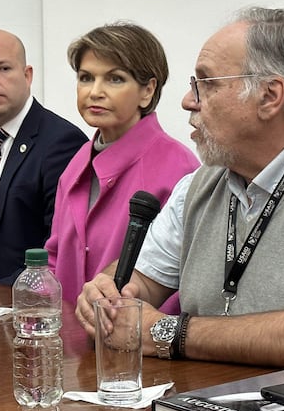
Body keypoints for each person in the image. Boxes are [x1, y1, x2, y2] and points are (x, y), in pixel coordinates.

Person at [76, 7, 284, 375]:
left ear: (270, 95)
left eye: (207, 83)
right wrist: (106, 295)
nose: (188, 100)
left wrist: (170, 333)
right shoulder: (199, 186)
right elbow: (139, 282)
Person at [44, 22, 199, 303]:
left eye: (115, 79)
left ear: (147, 91)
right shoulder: (76, 162)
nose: (95, 91)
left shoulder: (179, 167)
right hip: (71, 339)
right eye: (86, 77)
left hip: (139, 339)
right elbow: (55, 258)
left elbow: (180, 281)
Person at [0, 29, 88, 285]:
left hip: (28, 304)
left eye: (3, 68)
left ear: (27, 75)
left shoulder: (62, 142)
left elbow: (57, 248)